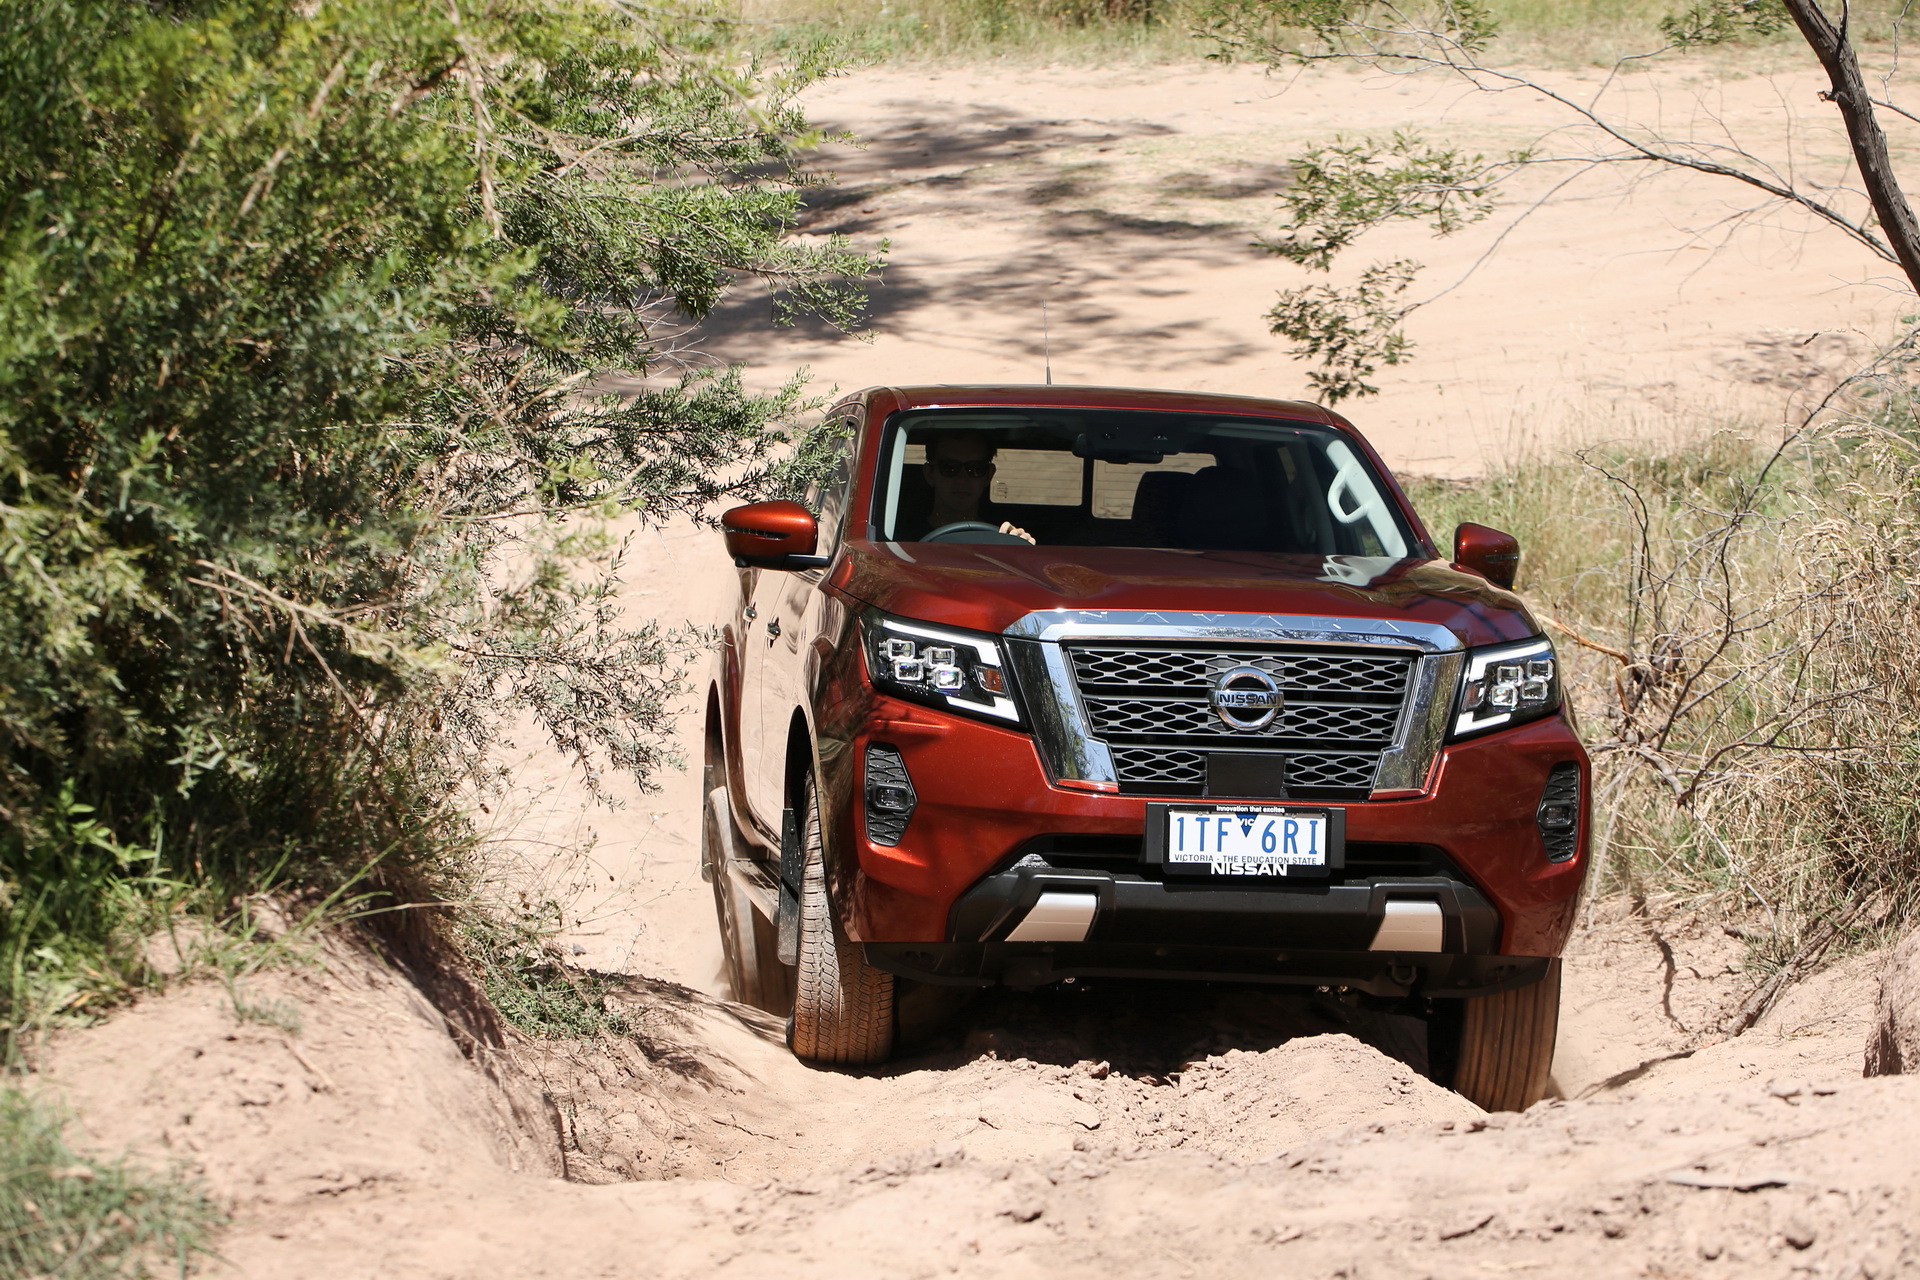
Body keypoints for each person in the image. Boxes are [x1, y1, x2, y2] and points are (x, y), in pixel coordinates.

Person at [915, 433, 1035, 543]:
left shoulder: (1003, 537)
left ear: (989, 475)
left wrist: (1021, 550)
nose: (962, 480)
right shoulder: (900, 537)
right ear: (930, 474)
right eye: (950, 468)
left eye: (976, 469)